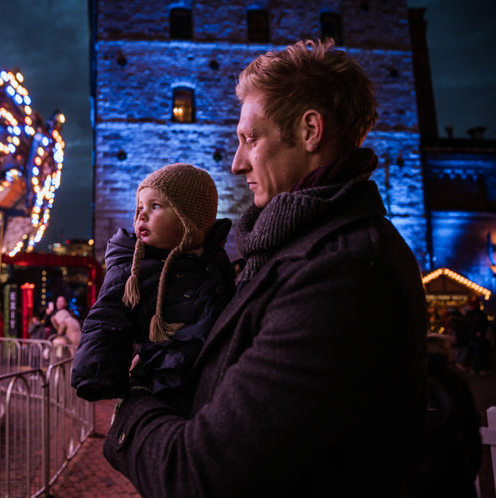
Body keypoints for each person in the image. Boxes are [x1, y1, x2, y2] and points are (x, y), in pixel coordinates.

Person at [102, 39, 429, 497]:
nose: (236, 164)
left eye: (250, 139)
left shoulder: (344, 273)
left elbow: (200, 474)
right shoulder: (284, 252)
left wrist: (129, 408)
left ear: (310, 130)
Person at [71, 163, 235, 415]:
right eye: (139, 208)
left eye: (155, 206)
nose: (141, 216)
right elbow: (107, 318)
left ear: (189, 218)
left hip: (212, 380)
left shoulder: (215, 261)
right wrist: (96, 372)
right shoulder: (131, 268)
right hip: (161, 381)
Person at [407, 333, 482, 498]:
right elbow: (470, 426)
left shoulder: (411, 378)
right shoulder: (452, 377)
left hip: (420, 475)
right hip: (454, 468)